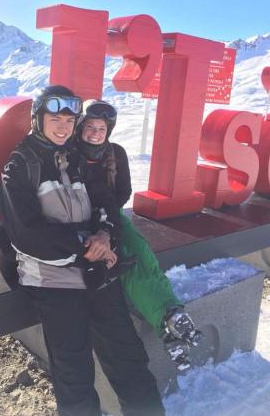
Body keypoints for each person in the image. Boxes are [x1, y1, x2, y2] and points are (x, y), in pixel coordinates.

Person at [0, 85, 165, 416]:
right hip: (55, 285)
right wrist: (87, 247)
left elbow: (107, 204)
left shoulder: (77, 158)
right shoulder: (19, 166)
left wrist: (106, 233)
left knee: (129, 361)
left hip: (99, 276)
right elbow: (28, 234)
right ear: (38, 119)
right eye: (55, 118)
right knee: (74, 378)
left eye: (69, 119)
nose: (63, 126)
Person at [75, 99, 202, 371]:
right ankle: (163, 321)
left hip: (109, 216)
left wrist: (107, 220)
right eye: (90, 127)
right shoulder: (70, 153)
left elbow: (123, 191)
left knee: (141, 251)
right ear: (80, 126)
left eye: (101, 128)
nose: (95, 133)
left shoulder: (115, 153)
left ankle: (171, 315)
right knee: (125, 259)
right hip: (77, 220)